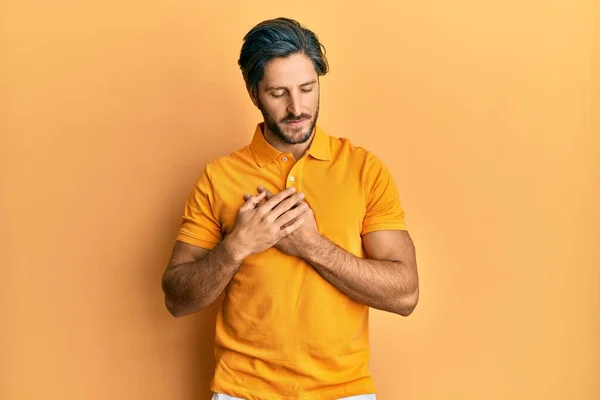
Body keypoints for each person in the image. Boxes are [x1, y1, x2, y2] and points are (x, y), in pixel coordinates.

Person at [162, 17, 419, 400]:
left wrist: (310, 245)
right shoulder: (219, 177)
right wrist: (237, 245)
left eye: (307, 88)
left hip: (343, 392)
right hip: (242, 392)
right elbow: (177, 299)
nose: (296, 107)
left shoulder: (364, 170)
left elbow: (405, 295)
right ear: (254, 94)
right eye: (278, 93)